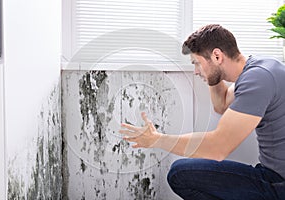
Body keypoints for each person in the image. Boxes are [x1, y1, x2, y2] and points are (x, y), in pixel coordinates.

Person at [119, 24, 285, 200]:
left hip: (277, 183)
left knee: (180, 174)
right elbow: (221, 104)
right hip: (274, 176)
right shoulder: (260, 69)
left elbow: (218, 148)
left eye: (197, 63)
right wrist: (211, 73)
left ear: (217, 55)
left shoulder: (257, 79)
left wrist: (156, 140)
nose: (196, 71)